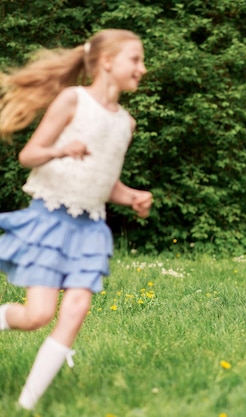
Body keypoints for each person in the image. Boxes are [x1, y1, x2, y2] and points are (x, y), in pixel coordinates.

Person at [0, 29, 152, 410]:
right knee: (37, 315)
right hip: (51, 218)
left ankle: (26, 405)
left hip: (90, 228)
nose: (142, 69)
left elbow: (106, 181)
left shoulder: (125, 123)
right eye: (135, 60)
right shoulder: (73, 100)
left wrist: (131, 196)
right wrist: (59, 149)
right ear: (107, 62)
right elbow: (29, 155)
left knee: (77, 308)